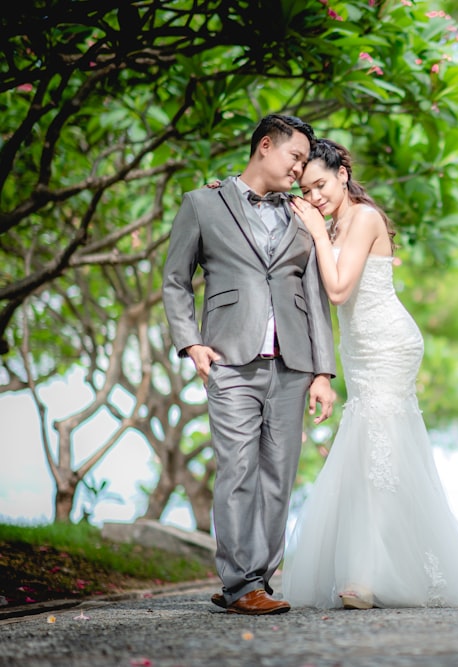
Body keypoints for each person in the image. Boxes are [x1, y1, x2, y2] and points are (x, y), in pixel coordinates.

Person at [281, 139, 458, 609]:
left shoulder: (362, 218)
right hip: (359, 353)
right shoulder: (336, 221)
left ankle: (365, 578)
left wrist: (317, 233)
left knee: (378, 458)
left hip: (389, 345)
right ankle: (377, 570)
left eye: (321, 184)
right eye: (307, 189)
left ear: (343, 173)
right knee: (375, 457)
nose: (315, 195)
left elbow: (339, 290)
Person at [162, 114, 337, 616]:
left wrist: (323, 372)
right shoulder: (202, 203)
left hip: (293, 363)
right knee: (237, 468)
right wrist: (190, 343)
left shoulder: (303, 215)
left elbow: (315, 295)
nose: (300, 170)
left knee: (278, 477)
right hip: (229, 361)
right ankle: (241, 585)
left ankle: (256, 579)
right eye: (295, 157)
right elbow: (176, 280)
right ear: (265, 146)